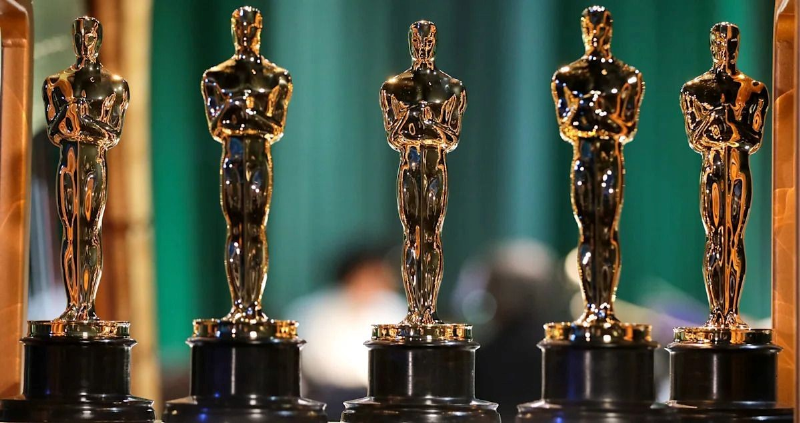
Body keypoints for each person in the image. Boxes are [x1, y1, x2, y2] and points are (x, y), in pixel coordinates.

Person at [551, 6, 644, 325]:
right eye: (590, 27)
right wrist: (594, 117)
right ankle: (592, 307)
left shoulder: (628, 77)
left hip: (609, 158)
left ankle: (605, 307)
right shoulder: (567, 77)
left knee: (607, 230)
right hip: (584, 157)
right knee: (587, 232)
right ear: (583, 30)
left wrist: (594, 115)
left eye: (602, 27)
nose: (596, 33)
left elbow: (627, 127)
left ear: (610, 30)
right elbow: (566, 127)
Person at [286, 243, 406, 421]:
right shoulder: (312, 310)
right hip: (326, 397)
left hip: (380, 397)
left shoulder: (393, 308)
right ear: (351, 274)